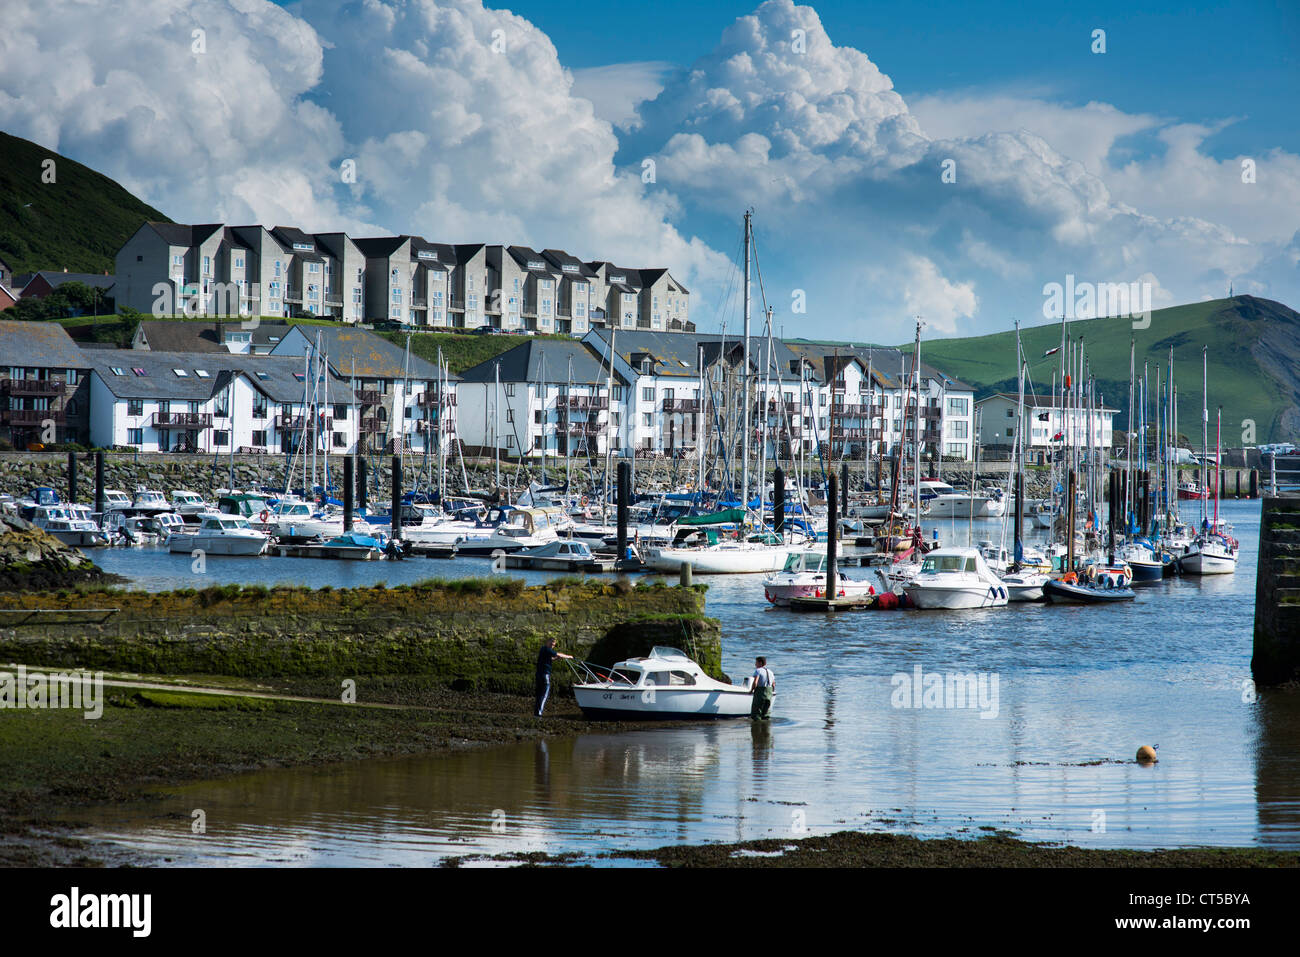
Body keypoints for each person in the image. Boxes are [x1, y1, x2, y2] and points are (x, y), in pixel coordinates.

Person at [534, 636, 573, 717]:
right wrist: (568, 656)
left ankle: (536, 712)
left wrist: (556, 658)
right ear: (547, 642)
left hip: (539, 675)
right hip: (544, 675)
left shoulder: (543, 649)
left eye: (553, 645)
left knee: (539, 694)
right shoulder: (547, 649)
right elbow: (558, 654)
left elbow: (550, 658)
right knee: (544, 695)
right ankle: (539, 713)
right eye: (551, 644)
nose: (552, 646)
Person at [750, 656, 775, 720]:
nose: (755, 664)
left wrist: (751, 690)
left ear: (760, 663)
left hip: (760, 693)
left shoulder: (758, 671)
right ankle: (765, 728)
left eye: (756, 662)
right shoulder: (771, 672)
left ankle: (756, 728)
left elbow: (755, 682)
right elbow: (773, 684)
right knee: (766, 714)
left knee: (756, 714)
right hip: (769, 694)